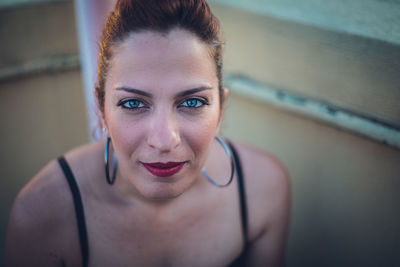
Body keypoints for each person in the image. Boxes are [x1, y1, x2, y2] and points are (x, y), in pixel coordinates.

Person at [5, 0, 290, 266]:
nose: (164, 141)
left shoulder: (262, 189)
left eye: (192, 102)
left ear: (221, 108)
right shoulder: (42, 215)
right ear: (101, 110)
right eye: (133, 103)